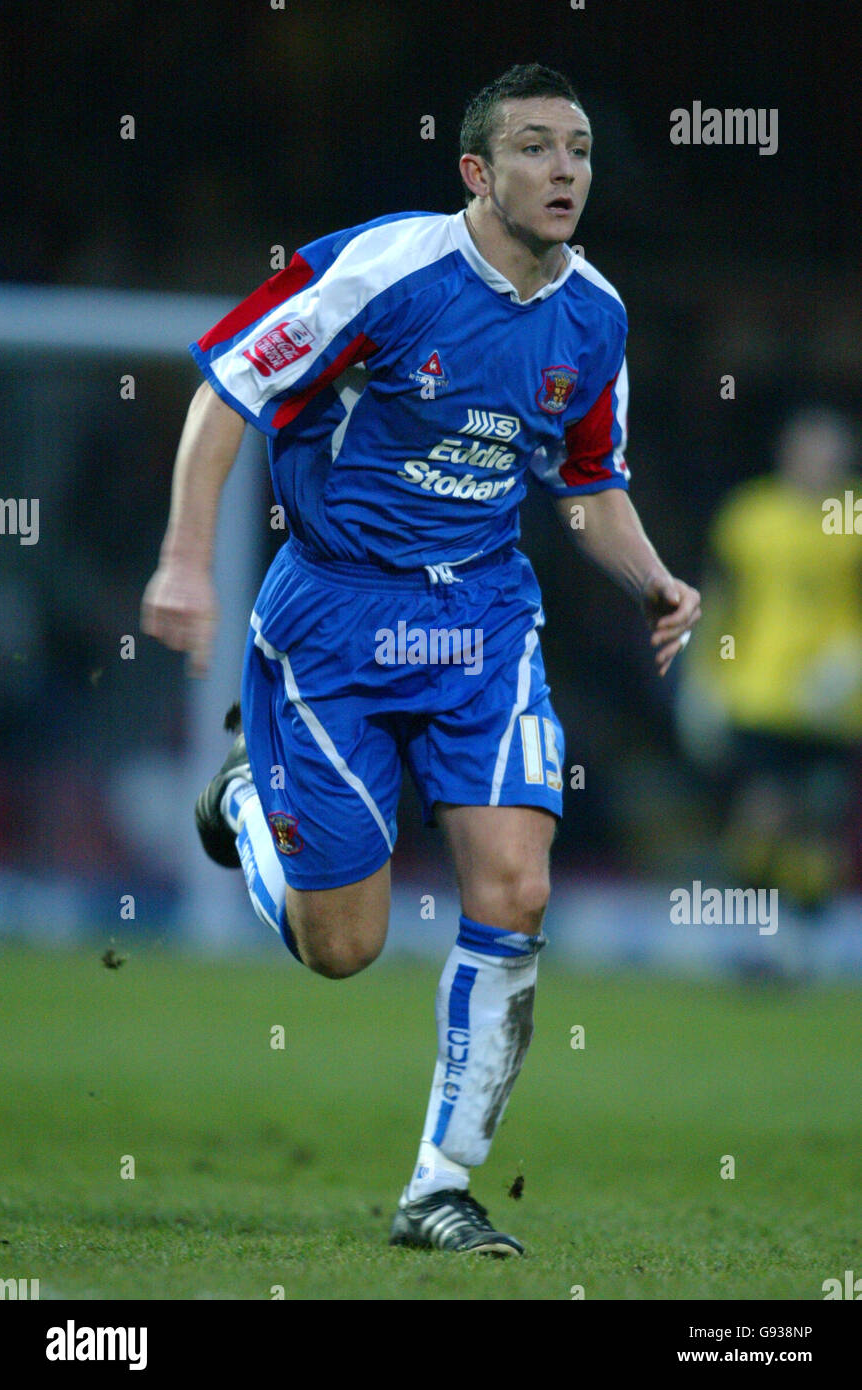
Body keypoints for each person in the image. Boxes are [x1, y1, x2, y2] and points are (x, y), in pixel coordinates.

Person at [141, 63, 701, 1256]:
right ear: (476, 171)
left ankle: (437, 1186)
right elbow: (229, 389)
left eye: (580, 150)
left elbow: (586, 481)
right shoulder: (385, 269)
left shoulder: (593, 313)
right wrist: (187, 562)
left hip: (482, 626)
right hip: (334, 619)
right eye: (536, 149)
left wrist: (650, 573)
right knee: (342, 947)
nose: (563, 172)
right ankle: (248, 801)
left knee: (516, 889)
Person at [678, 406, 862, 915]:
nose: (820, 462)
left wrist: (853, 658)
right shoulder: (749, 515)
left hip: (835, 702)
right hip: (759, 694)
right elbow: (719, 598)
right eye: (810, 449)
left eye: (831, 451)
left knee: (818, 828)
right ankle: (761, 927)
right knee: (761, 820)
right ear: (787, 452)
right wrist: (701, 681)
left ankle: (800, 947)